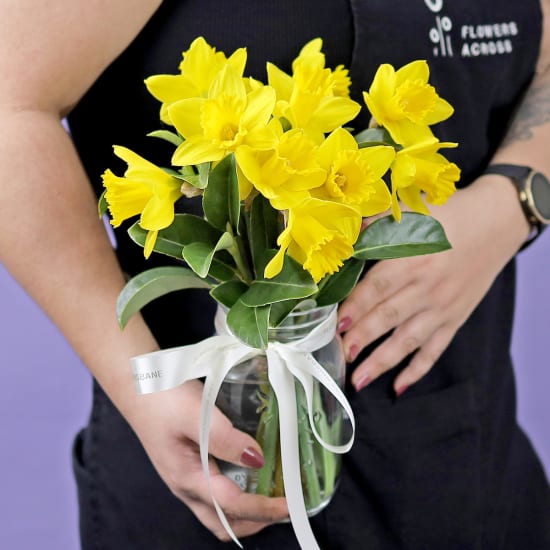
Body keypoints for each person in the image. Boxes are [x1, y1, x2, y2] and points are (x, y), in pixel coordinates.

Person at [1, 1, 549, 548]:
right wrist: (141, 387)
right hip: (202, 446)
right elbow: (10, 105)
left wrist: (512, 201)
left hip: (462, 451)